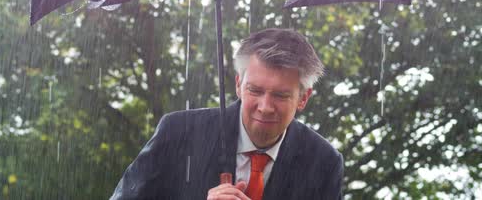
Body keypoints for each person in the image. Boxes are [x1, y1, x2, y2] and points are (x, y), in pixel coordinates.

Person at [110, 28, 343, 200]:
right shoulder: (179, 132)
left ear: (304, 97)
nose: (265, 106)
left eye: (281, 96)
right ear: (239, 84)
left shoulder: (323, 162)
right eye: (255, 90)